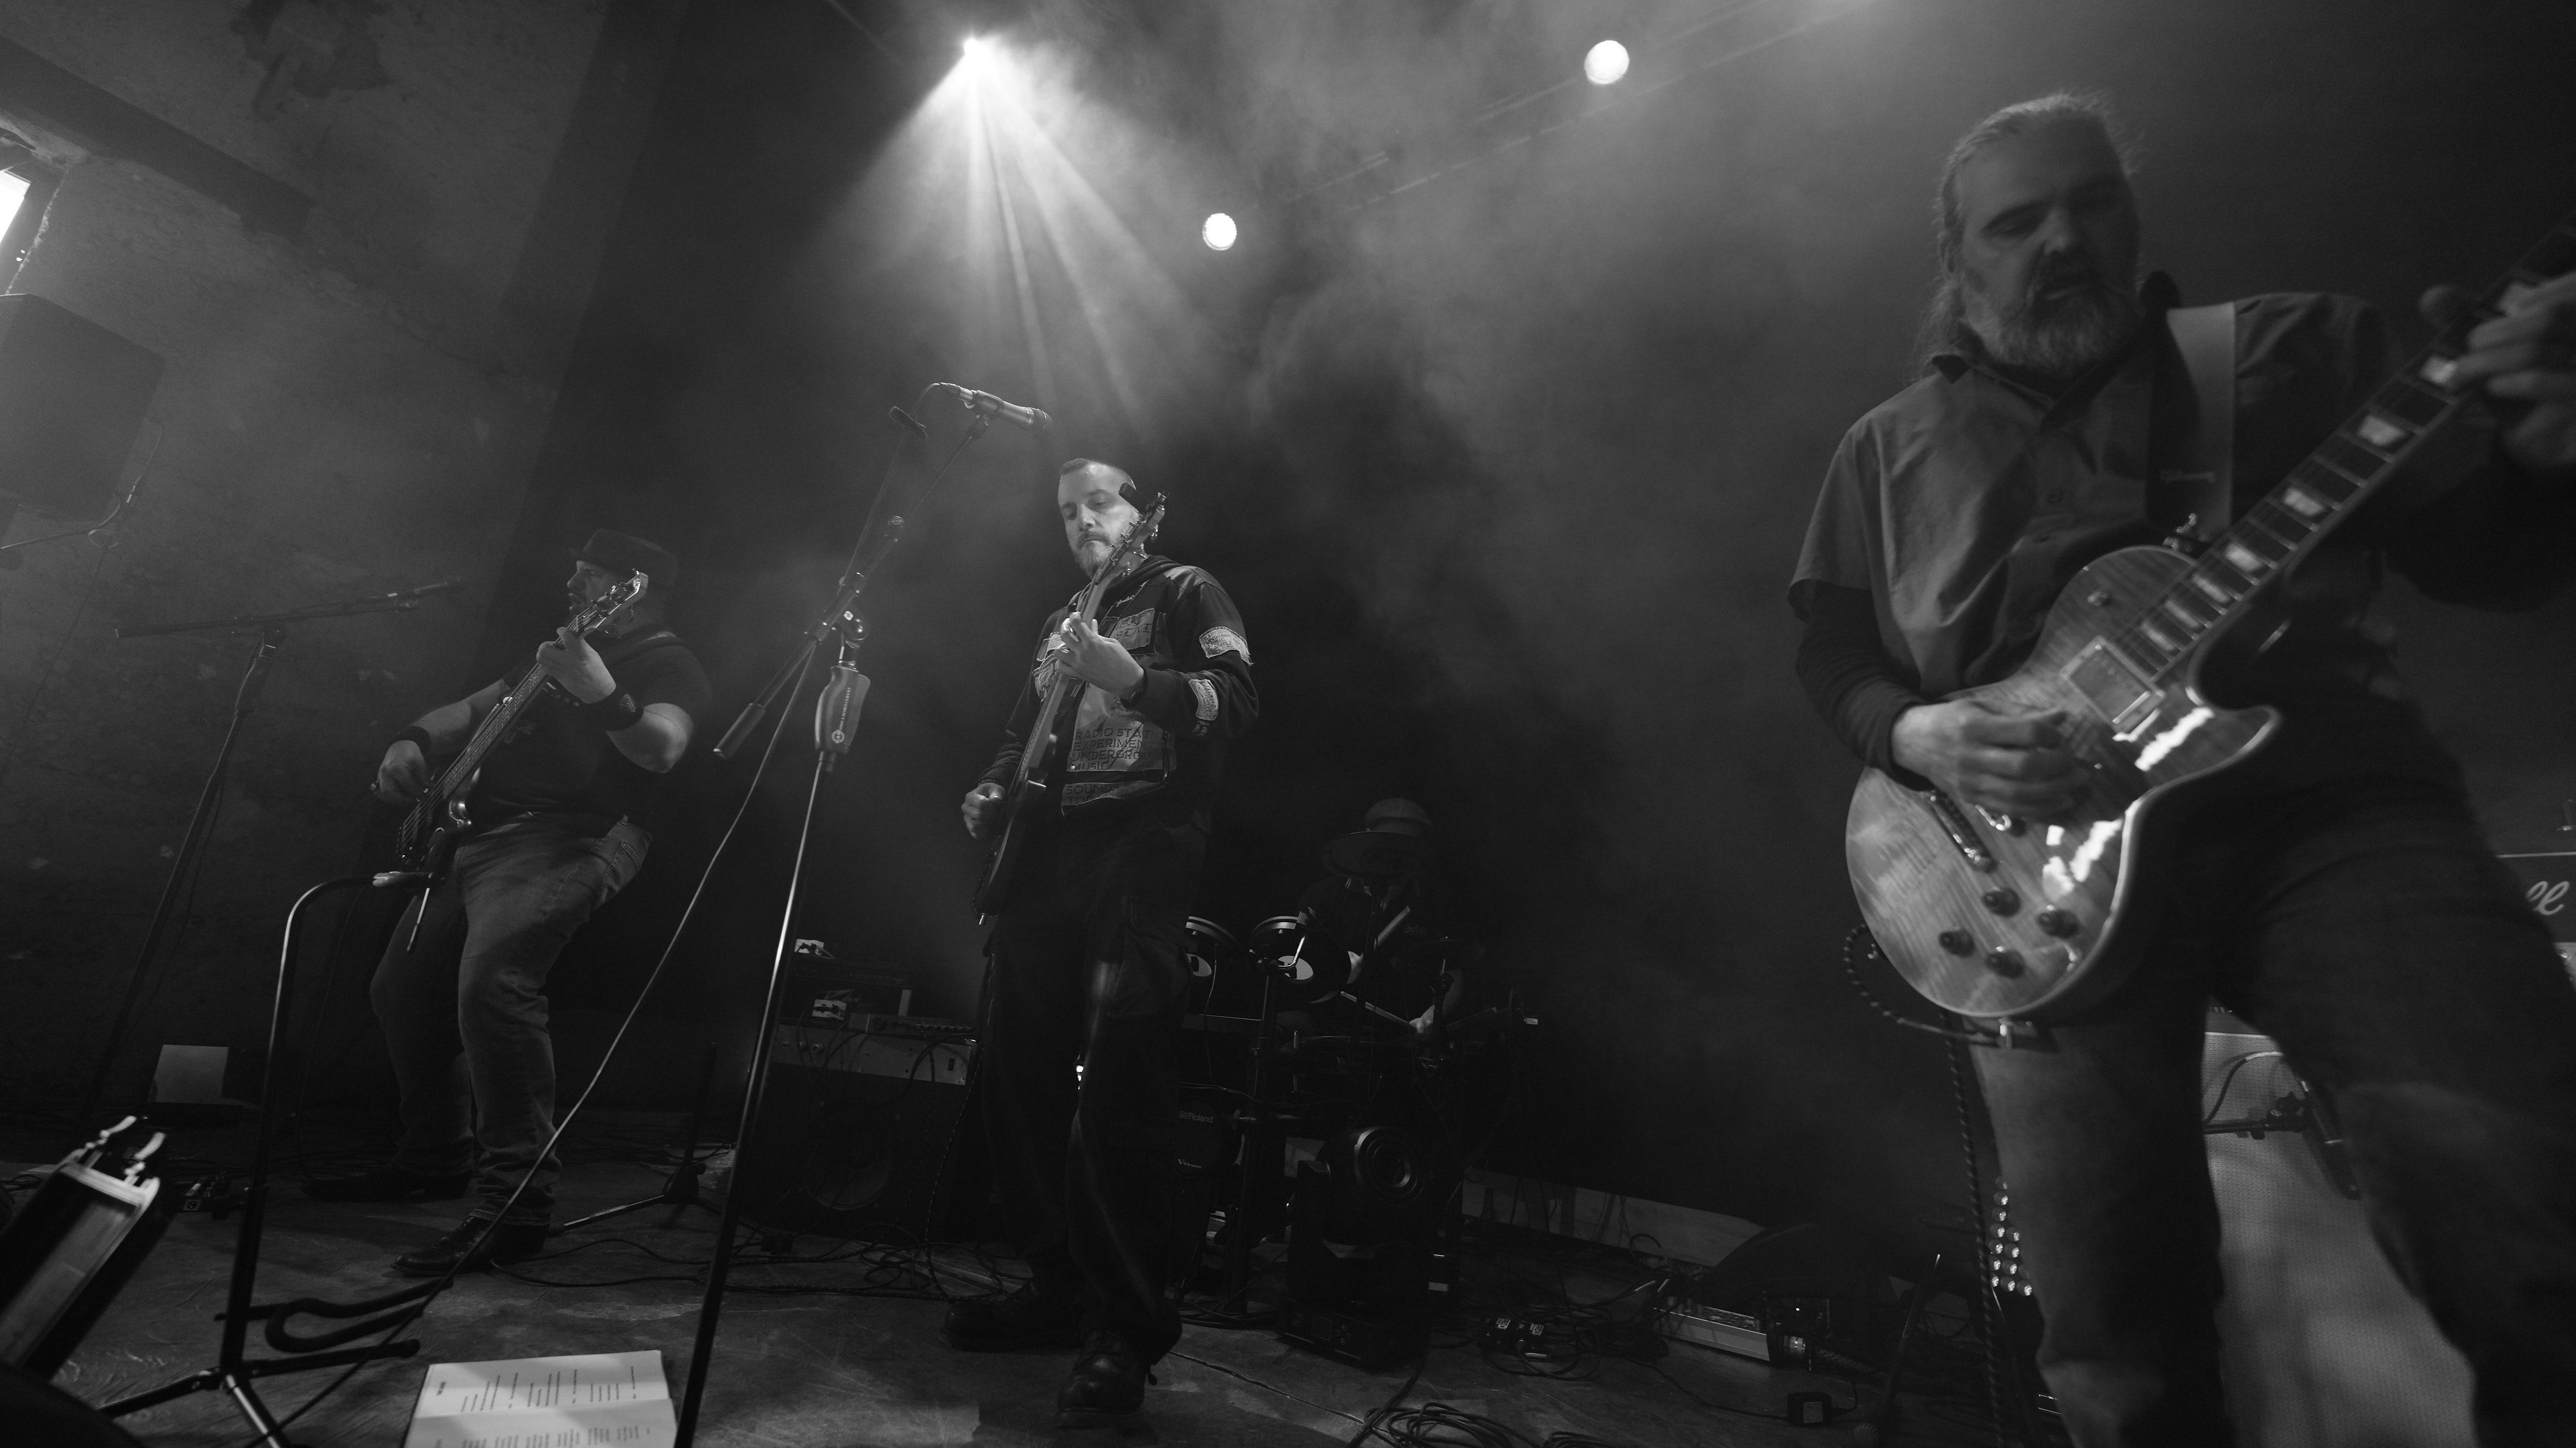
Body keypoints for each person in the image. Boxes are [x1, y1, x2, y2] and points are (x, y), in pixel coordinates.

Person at [1791, 93, 2576, 1445]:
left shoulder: (2285, 351)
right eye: (2017, 222)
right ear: (1957, 261)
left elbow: (2488, 558)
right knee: (2113, 1344)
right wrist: (1917, 734)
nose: (2063, 240)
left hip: (2321, 817)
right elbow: (1832, 652)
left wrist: (2551, 467)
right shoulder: (1886, 445)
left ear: (2133, 217)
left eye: (2091, 204)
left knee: (2521, 1196)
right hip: (2031, 884)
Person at [308, 530, 712, 1276]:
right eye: (575, 572)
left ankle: (515, 1206)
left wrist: (605, 695)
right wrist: (411, 739)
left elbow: (661, 747)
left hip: (572, 839)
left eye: (590, 575)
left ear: (636, 589)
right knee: (402, 991)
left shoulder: (669, 662)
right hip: (476, 838)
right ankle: (434, 1158)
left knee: (495, 986)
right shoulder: (554, 652)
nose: (574, 587)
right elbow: (474, 708)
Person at [951, 458, 1256, 1426]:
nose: (1081, 521)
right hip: (1045, 857)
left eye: (1098, 503)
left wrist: (1133, 678)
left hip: (1140, 849)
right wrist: (993, 787)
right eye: (1066, 511)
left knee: (1122, 1084)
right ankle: (1056, 1284)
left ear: (1139, 512)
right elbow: (1023, 730)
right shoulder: (1062, 620)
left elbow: (1235, 700)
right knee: (1016, 1071)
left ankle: (1124, 1327)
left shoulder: (1187, 589)